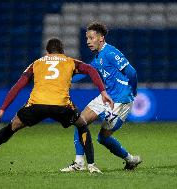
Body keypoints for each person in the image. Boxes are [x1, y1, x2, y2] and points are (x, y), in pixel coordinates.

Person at [0, 38, 114, 171]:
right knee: (82, 125)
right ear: (62, 51)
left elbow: (18, 86)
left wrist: (2, 109)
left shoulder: (37, 63)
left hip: (36, 105)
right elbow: (91, 70)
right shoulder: (70, 61)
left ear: (47, 51)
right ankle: (91, 165)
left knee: (13, 126)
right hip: (61, 106)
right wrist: (103, 92)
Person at [60, 22, 141, 173]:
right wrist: (66, 81)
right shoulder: (98, 57)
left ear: (101, 38)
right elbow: (86, 73)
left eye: (91, 38)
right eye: (87, 38)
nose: (88, 41)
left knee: (103, 138)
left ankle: (130, 159)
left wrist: (133, 90)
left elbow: (132, 72)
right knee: (80, 122)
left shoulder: (111, 52)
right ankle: (79, 163)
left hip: (120, 101)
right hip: (106, 96)